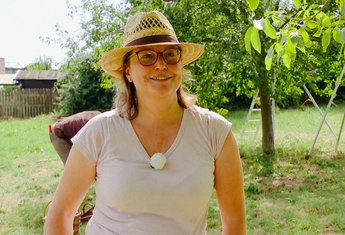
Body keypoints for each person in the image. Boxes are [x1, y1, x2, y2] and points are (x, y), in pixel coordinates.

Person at [44, 10, 246, 235]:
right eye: (147, 56)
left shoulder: (215, 132)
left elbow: (235, 223)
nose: (161, 65)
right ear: (128, 72)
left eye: (170, 54)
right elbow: (60, 213)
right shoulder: (99, 132)